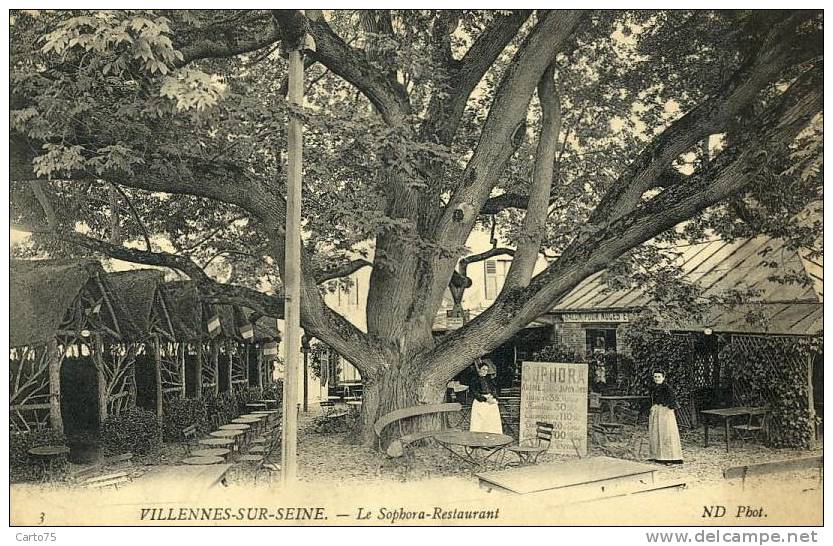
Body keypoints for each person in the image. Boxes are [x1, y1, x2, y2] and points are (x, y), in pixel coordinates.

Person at [648, 370, 683, 465]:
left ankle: (670, 457)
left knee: (666, 433)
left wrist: (665, 406)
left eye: (659, 377)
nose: (657, 379)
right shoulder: (654, 388)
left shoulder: (667, 388)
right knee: (656, 432)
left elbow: (672, 399)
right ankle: (657, 455)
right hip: (657, 411)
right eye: (655, 377)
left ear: (663, 377)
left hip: (665, 412)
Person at [469, 360, 503, 434]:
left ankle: (492, 433)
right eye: (483, 369)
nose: (485, 371)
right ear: (479, 369)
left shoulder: (488, 379)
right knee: (480, 420)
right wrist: (485, 399)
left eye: (486, 370)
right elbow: (474, 392)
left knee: (493, 411)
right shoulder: (474, 379)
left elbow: (493, 389)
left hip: (489, 399)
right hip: (480, 400)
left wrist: (493, 397)